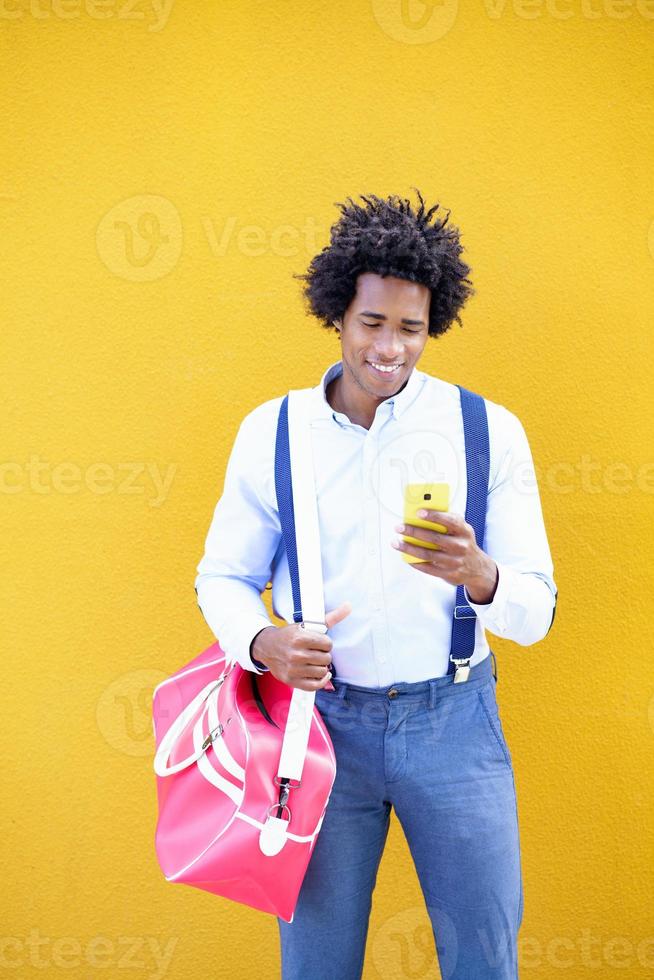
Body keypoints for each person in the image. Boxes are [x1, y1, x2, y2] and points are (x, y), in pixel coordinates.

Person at [194, 190, 557, 980]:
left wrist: (483, 577)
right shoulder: (274, 431)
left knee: (483, 963)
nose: (391, 348)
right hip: (320, 730)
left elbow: (537, 613)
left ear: (434, 327)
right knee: (317, 963)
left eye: (411, 328)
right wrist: (261, 642)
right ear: (337, 316)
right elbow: (222, 575)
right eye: (373, 323)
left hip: (456, 724)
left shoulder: (486, 430)